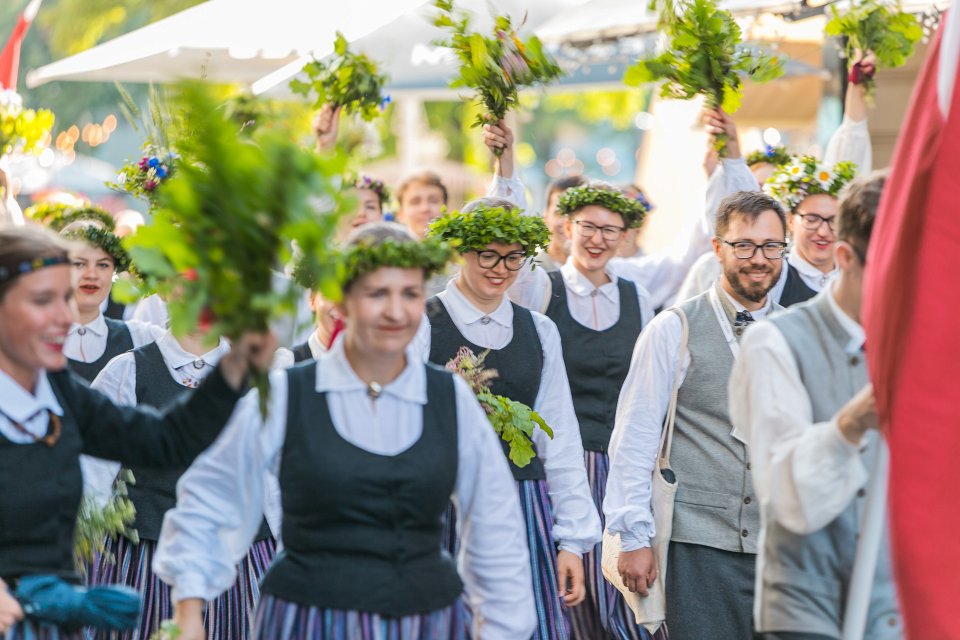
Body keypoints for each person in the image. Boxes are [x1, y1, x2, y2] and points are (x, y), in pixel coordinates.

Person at [154, 223, 536, 640]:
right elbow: (211, 498)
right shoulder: (286, 394)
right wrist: (189, 608)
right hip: (308, 621)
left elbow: (495, 526)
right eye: (377, 294)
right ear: (343, 301)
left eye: (409, 294)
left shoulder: (450, 399)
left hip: (425, 621)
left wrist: (502, 630)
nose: (396, 311)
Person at [0, 225, 270, 639]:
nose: (64, 316)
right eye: (42, 301)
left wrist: (236, 367)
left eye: (64, 298)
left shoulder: (57, 391)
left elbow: (165, 440)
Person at [606, 191, 789, 639]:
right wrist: (634, 538)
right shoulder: (674, 328)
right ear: (717, 249)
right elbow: (635, 437)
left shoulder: (795, 331)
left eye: (770, 246)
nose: (758, 258)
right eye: (744, 245)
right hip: (697, 544)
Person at [730, 172, 902, 638]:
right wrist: (848, 425)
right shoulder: (774, 342)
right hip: (808, 615)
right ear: (846, 258)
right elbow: (788, 502)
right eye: (897, 269)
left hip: (899, 611)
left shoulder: (925, 345)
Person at [424, 201, 602, 640]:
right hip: (439, 508)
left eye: (513, 257)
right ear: (462, 251)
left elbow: (558, 437)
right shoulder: (422, 323)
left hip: (521, 503)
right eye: (488, 254)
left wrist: (571, 542)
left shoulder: (539, 331)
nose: (501, 268)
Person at [508, 183, 660, 640]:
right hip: (565, 466)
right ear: (567, 227)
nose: (597, 239)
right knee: (571, 592)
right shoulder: (542, 289)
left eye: (609, 230)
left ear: (625, 235)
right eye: (588, 227)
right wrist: (506, 166)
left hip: (624, 467)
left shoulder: (639, 297)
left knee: (626, 595)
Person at [82, 323, 278, 640]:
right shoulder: (128, 369)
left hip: (235, 558)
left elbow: (273, 481)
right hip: (146, 555)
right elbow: (92, 474)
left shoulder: (263, 379)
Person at [676, 56, 872, 306]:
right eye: (812, 219)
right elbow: (742, 213)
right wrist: (732, 153)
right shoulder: (773, 275)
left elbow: (851, 149)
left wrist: (857, 88)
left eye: (832, 220)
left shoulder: (854, 278)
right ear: (790, 220)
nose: (823, 230)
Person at [58, 218, 163, 383]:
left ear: (114, 270)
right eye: (79, 264)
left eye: (103, 265)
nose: (91, 274)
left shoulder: (139, 336)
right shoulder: (33, 336)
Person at [537, 176, 587, 271]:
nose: (566, 222)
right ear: (546, 217)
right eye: (560, 212)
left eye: (574, 213)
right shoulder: (531, 269)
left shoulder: (599, 271)